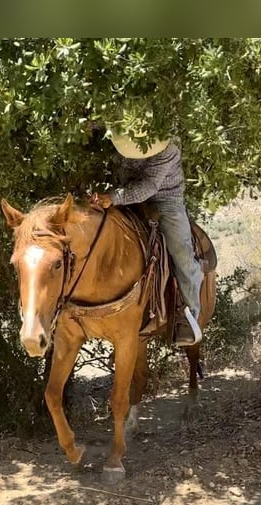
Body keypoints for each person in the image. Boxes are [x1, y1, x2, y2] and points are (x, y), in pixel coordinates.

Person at [91, 133, 204, 346]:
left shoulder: (168, 150)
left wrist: (113, 197)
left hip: (165, 200)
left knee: (181, 252)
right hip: (124, 196)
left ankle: (189, 315)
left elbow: (149, 187)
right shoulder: (119, 135)